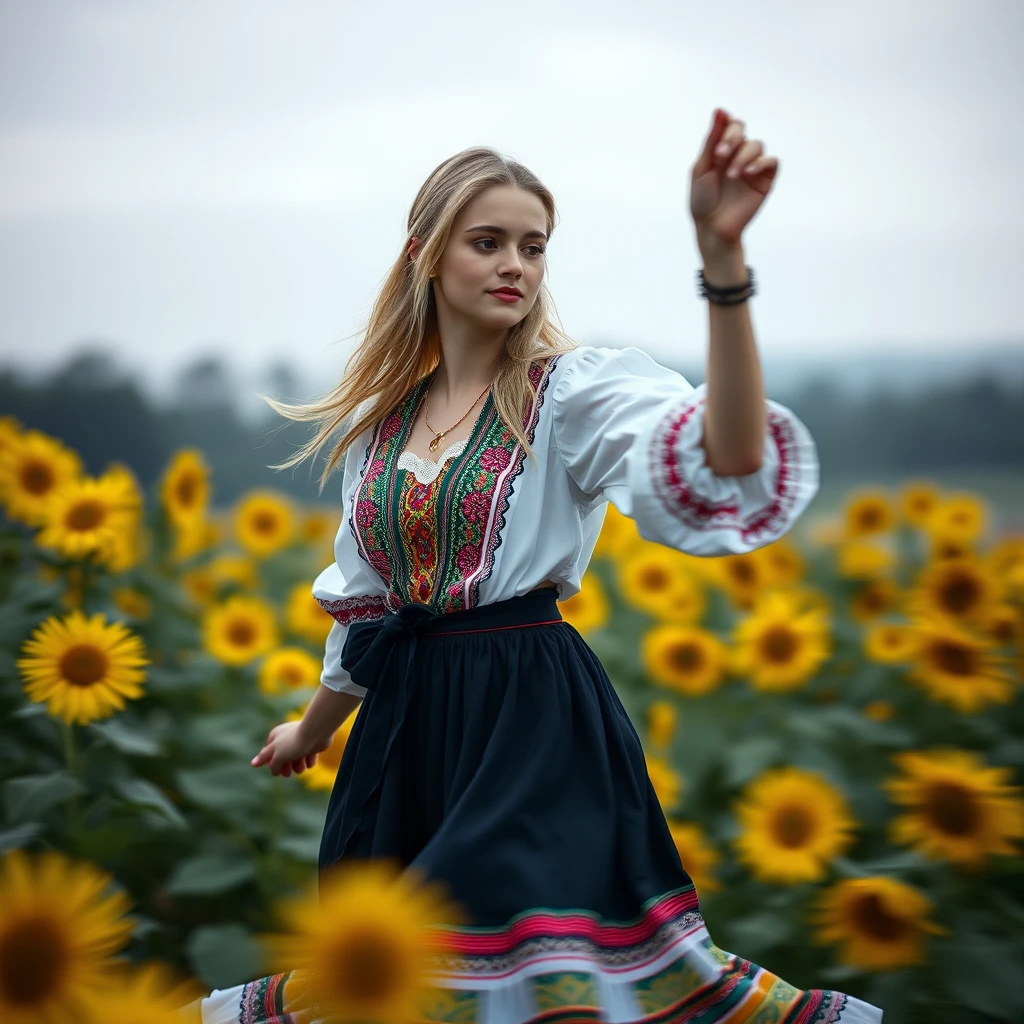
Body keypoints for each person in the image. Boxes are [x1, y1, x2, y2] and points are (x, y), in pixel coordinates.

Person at [191, 109, 883, 1023]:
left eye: (534, 246)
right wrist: (310, 731)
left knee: (526, 979)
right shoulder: (381, 426)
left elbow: (727, 452)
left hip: (531, 722)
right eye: (489, 242)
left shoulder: (569, 395)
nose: (516, 264)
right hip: (406, 736)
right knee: (390, 980)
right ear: (426, 254)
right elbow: (366, 609)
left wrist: (724, 268)